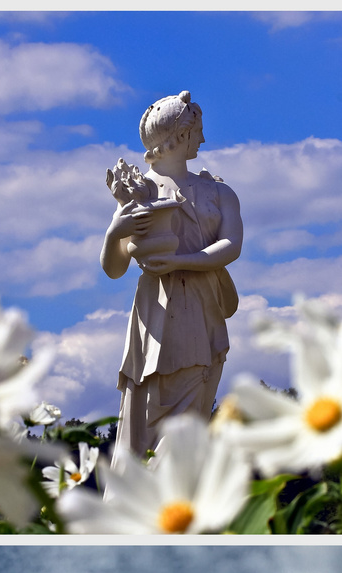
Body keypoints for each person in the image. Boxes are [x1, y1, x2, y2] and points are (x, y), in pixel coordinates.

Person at [101, 90, 243, 457]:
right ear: (180, 135)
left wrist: (182, 261)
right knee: (143, 409)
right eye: (197, 131)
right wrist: (115, 230)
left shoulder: (218, 192)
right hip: (154, 316)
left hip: (200, 309)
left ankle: (176, 495)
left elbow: (231, 245)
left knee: (190, 418)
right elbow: (114, 269)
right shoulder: (139, 192)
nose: (203, 139)